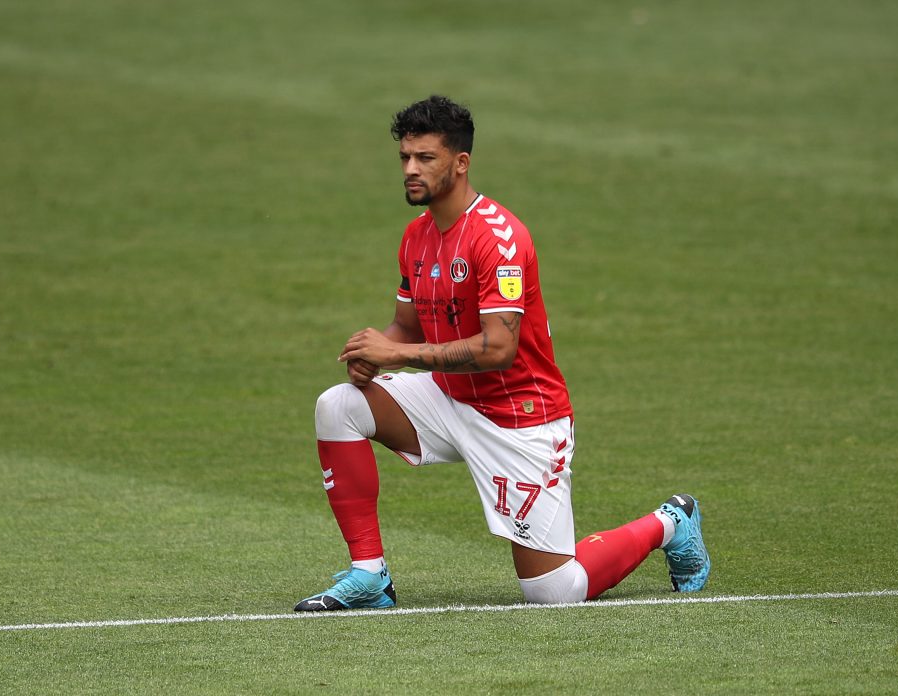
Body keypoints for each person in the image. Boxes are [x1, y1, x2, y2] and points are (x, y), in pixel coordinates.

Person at [294, 95, 709, 611]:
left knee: (554, 592)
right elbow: (405, 326)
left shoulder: (500, 238)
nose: (410, 169)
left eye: (425, 158)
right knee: (339, 405)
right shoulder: (416, 236)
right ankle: (369, 575)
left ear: (460, 163)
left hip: (520, 418)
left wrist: (398, 355)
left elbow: (498, 349)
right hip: (448, 399)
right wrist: (375, 354)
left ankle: (671, 522)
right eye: (405, 157)